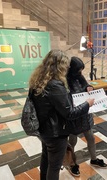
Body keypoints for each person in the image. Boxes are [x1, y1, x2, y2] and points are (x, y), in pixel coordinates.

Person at [29, 49, 94, 180]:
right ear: (60, 66)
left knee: (46, 158)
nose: (67, 69)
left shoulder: (39, 80)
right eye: (65, 66)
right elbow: (70, 113)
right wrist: (87, 104)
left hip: (44, 128)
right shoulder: (55, 85)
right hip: (55, 132)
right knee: (54, 166)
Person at [67, 56, 107, 177]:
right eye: (78, 70)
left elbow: (86, 86)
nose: (80, 73)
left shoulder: (79, 76)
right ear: (72, 69)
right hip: (74, 114)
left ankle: (94, 159)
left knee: (90, 138)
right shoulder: (65, 79)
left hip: (85, 113)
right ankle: (72, 164)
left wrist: (89, 88)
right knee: (72, 141)